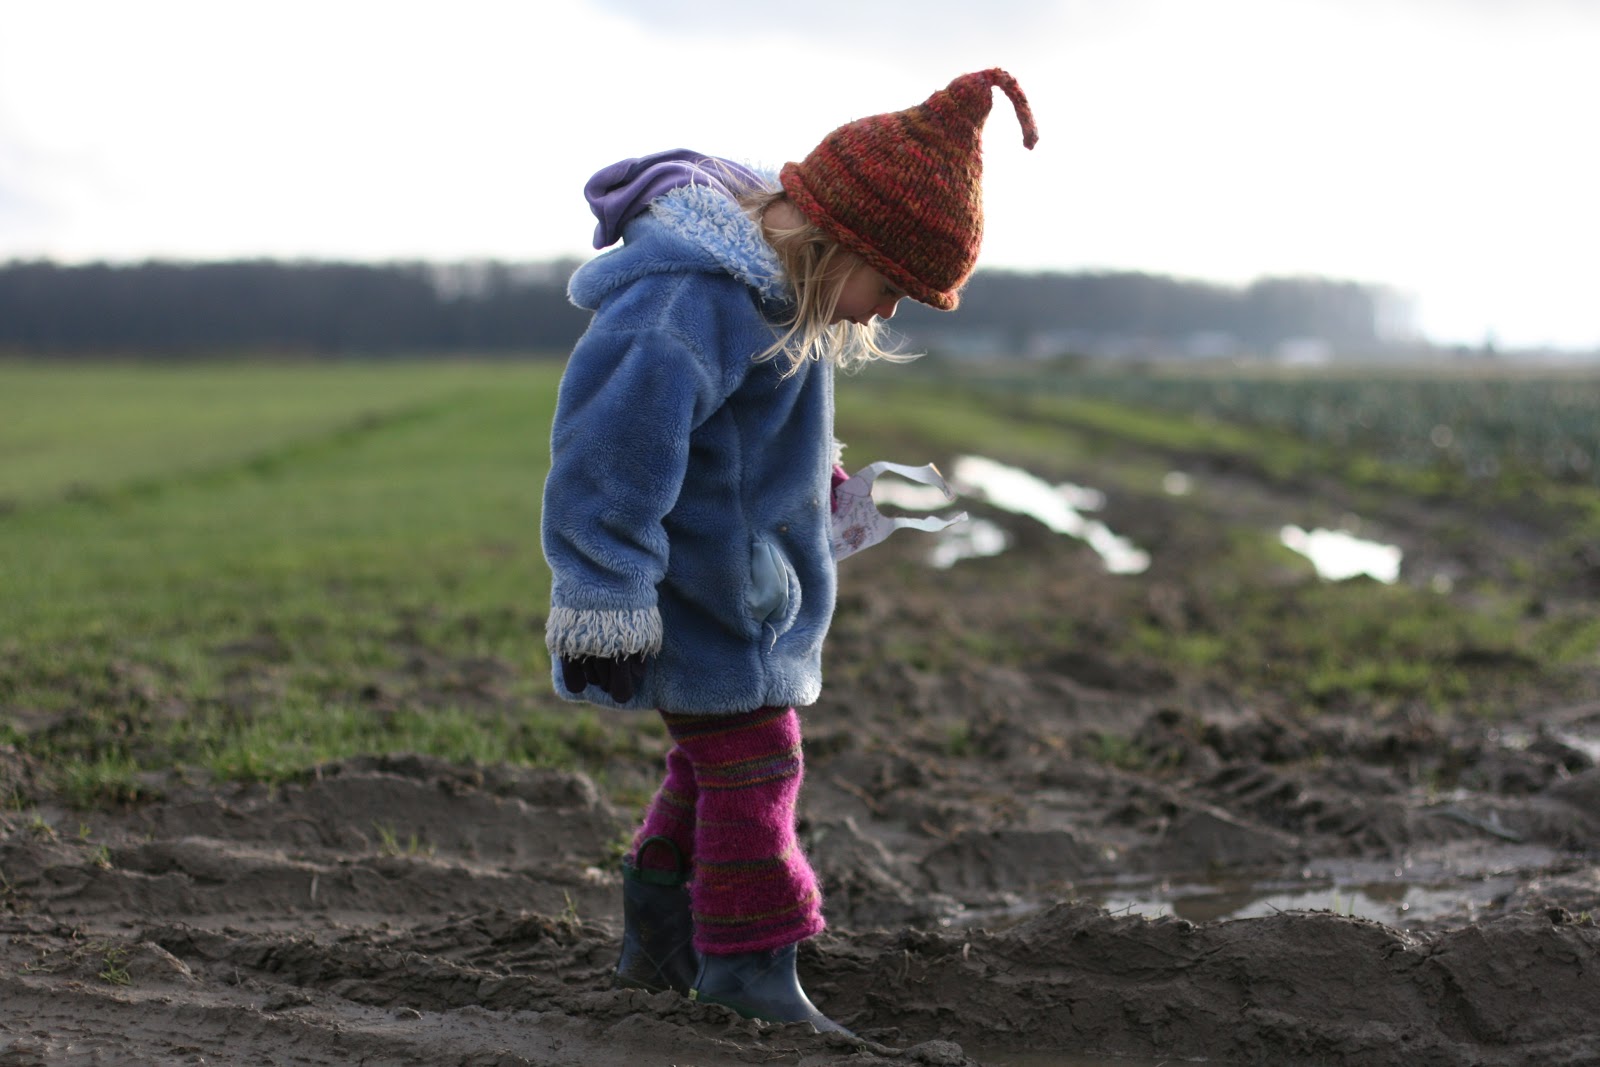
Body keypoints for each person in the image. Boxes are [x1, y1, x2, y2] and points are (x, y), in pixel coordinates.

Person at [540, 69, 1038, 1035]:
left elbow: (753, 448)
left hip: (742, 595)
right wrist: (603, 590)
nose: (884, 312)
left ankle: (660, 936)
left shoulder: (769, 301)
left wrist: (843, 496)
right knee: (758, 767)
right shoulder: (689, 307)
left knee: (711, 766)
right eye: (889, 286)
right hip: (697, 601)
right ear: (836, 240)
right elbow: (606, 454)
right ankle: (749, 964)